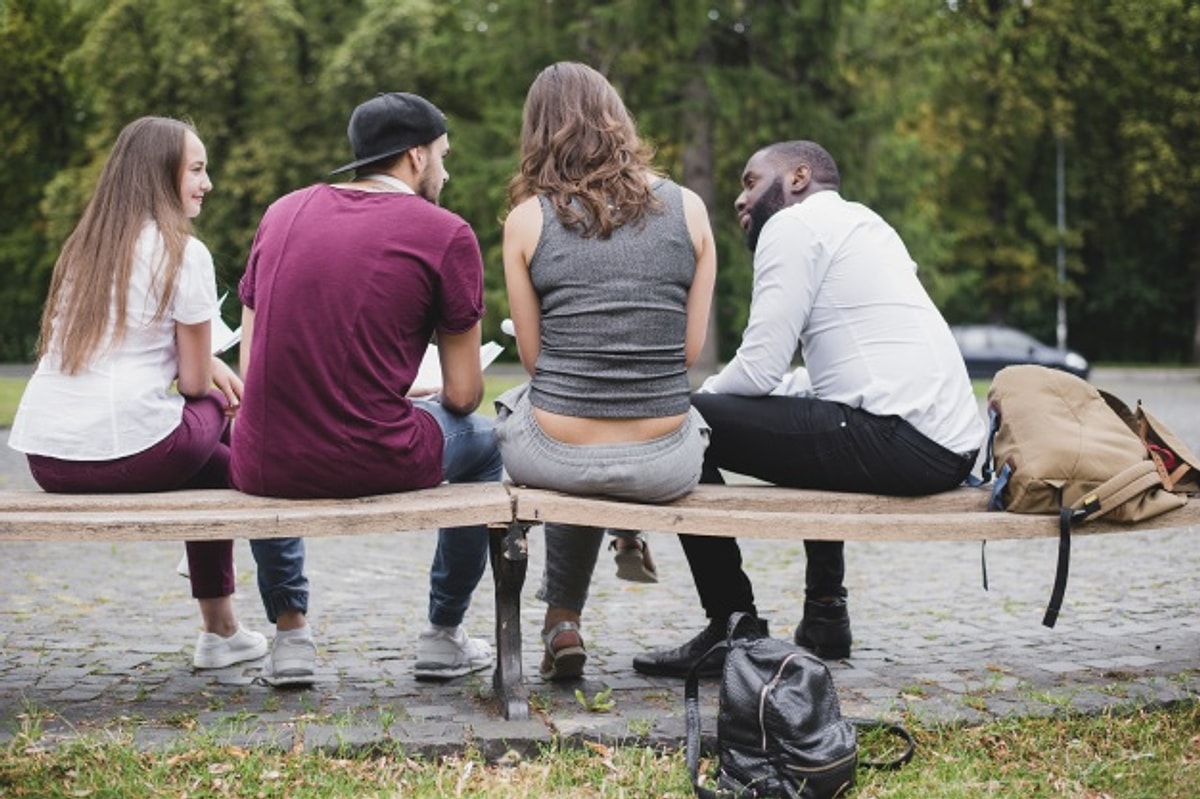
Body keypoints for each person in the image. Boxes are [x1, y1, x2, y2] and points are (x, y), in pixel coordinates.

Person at [633, 140, 985, 678]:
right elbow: (821, 380)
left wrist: (695, 398)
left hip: (901, 440)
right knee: (816, 412)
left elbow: (759, 369)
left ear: (797, 178)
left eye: (751, 181)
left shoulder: (793, 226)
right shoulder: (865, 225)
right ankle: (825, 613)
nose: (738, 199)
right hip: (947, 446)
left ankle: (732, 624)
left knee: (683, 420)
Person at [230, 92, 501, 686]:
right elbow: (461, 395)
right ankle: (444, 634)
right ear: (413, 158)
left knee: (271, 431)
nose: (447, 171)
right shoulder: (446, 233)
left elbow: (255, 373)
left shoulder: (281, 213)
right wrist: (411, 395)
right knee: (488, 445)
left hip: (265, 460)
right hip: (378, 455)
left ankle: (291, 635)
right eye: (442, 156)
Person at [8, 116, 267, 670]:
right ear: (161, 174)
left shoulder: (84, 250)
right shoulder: (183, 252)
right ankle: (231, 630)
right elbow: (196, 384)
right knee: (223, 423)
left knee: (218, 463)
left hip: (49, 458)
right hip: (133, 452)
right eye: (197, 169)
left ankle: (222, 633)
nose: (208, 182)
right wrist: (218, 375)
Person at [495, 62, 717, 680]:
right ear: (618, 120)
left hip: (559, 455)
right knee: (603, 422)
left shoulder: (526, 222)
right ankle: (621, 535)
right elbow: (688, 352)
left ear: (538, 133)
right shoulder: (691, 210)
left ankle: (562, 620)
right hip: (664, 460)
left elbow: (537, 361)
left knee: (537, 409)